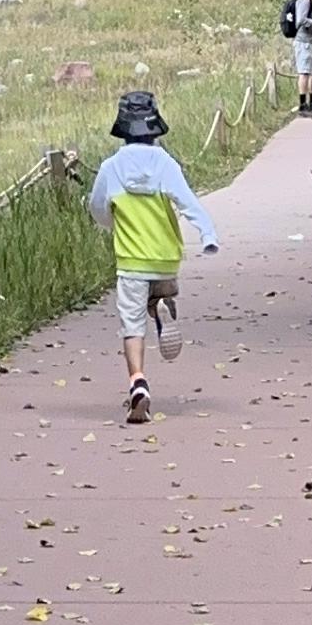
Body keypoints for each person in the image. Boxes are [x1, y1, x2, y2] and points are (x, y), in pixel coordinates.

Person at [87, 88, 220, 424]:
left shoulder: (111, 167)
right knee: (159, 293)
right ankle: (162, 310)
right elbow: (188, 201)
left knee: (131, 325)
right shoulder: (165, 164)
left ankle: (138, 383)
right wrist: (208, 235)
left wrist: (111, 223)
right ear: (154, 127)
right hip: (164, 257)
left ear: (123, 128)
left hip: (131, 260)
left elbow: (97, 207)